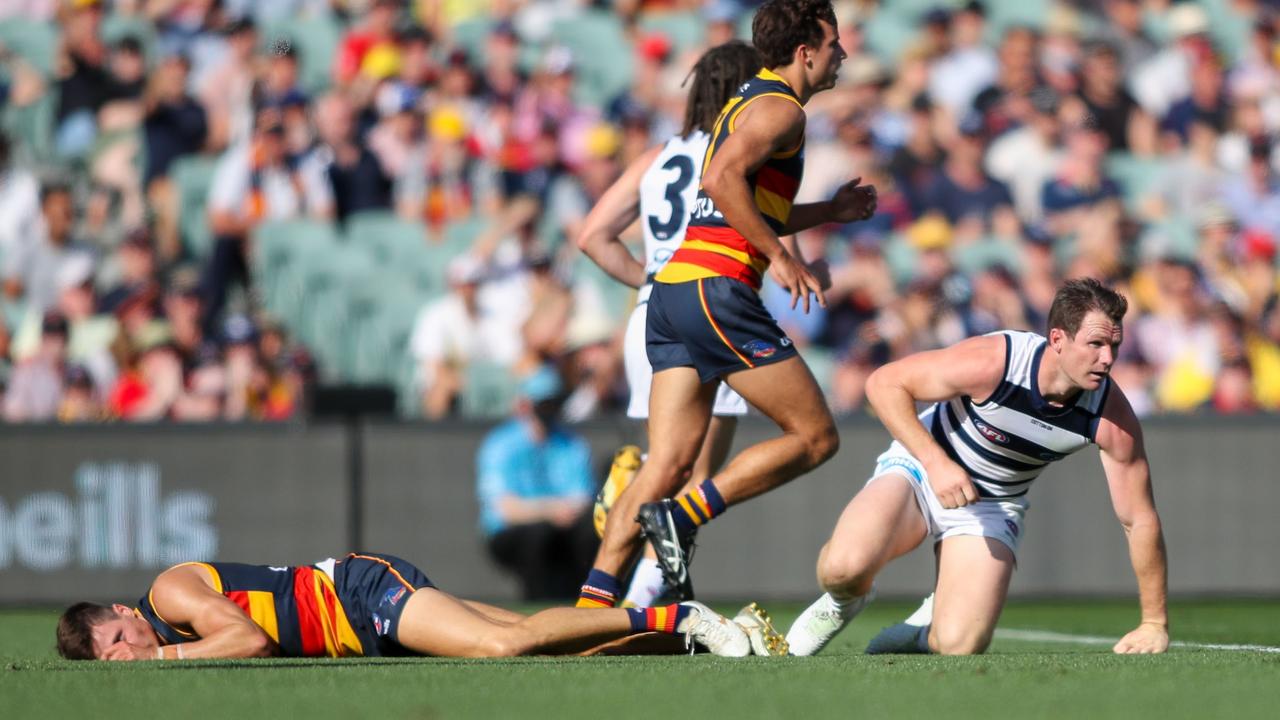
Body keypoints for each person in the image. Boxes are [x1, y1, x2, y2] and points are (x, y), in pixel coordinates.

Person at [575, 0, 877, 610]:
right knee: (816, 437)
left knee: (665, 463)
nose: (843, 53)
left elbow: (739, 199)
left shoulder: (750, 98)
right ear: (806, 52)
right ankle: (682, 518)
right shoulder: (781, 110)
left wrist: (826, 213)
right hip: (718, 290)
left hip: (670, 294)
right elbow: (718, 182)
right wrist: (784, 258)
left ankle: (589, 607)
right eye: (835, 43)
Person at [785, 279, 1170, 656]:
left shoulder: (1110, 416)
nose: (1108, 359)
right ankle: (842, 602)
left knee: (959, 644)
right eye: (1096, 344)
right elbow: (884, 383)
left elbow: (1139, 519)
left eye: (1114, 345)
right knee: (842, 569)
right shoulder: (995, 362)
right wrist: (936, 463)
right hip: (920, 471)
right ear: (1057, 340)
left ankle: (924, 627)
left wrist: (1154, 623)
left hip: (991, 506)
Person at [575, 40, 764, 607]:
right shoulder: (739, 151)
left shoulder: (657, 155)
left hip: (652, 315)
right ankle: (642, 596)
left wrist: (645, 281)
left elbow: (591, 237)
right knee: (696, 477)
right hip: (712, 308)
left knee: (669, 465)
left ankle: (617, 581)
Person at [55, 551, 755, 661]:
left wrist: (166, 660)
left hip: (358, 595)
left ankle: (682, 615)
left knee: (502, 648)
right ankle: (693, 634)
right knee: (526, 632)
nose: (124, 653)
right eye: (110, 656)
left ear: (123, 610)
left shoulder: (167, 595)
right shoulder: (158, 621)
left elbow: (248, 640)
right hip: (360, 627)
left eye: (115, 637)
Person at [477, 366, 597, 600]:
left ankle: (590, 603)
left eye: (554, 402)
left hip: (566, 527)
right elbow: (505, 510)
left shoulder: (572, 444)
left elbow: (584, 497)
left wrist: (564, 512)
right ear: (525, 405)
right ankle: (538, 604)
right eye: (543, 403)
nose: (549, 410)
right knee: (540, 536)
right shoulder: (500, 445)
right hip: (515, 534)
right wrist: (552, 511)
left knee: (591, 533)